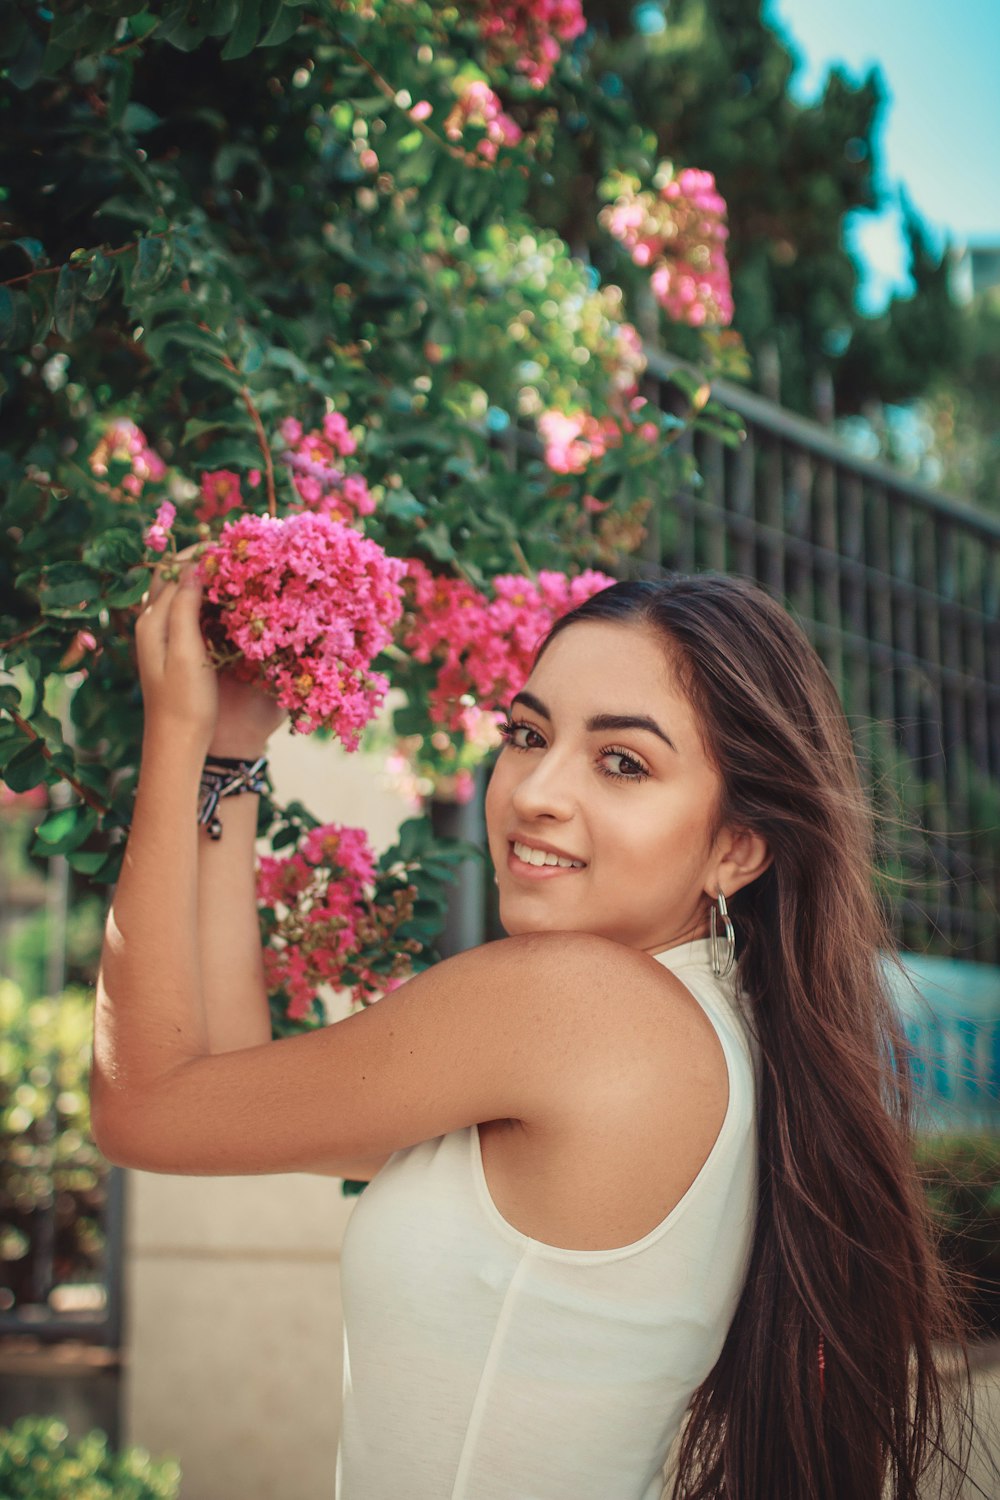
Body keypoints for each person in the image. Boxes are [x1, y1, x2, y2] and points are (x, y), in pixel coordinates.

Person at [93, 564, 977, 1500]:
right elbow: (225, 1086)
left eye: (623, 761)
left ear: (737, 847)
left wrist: (175, 735)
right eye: (526, 734)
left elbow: (142, 1106)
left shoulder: (574, 1005)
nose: (533, 793)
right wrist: (230, 759)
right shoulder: (719, 1037)